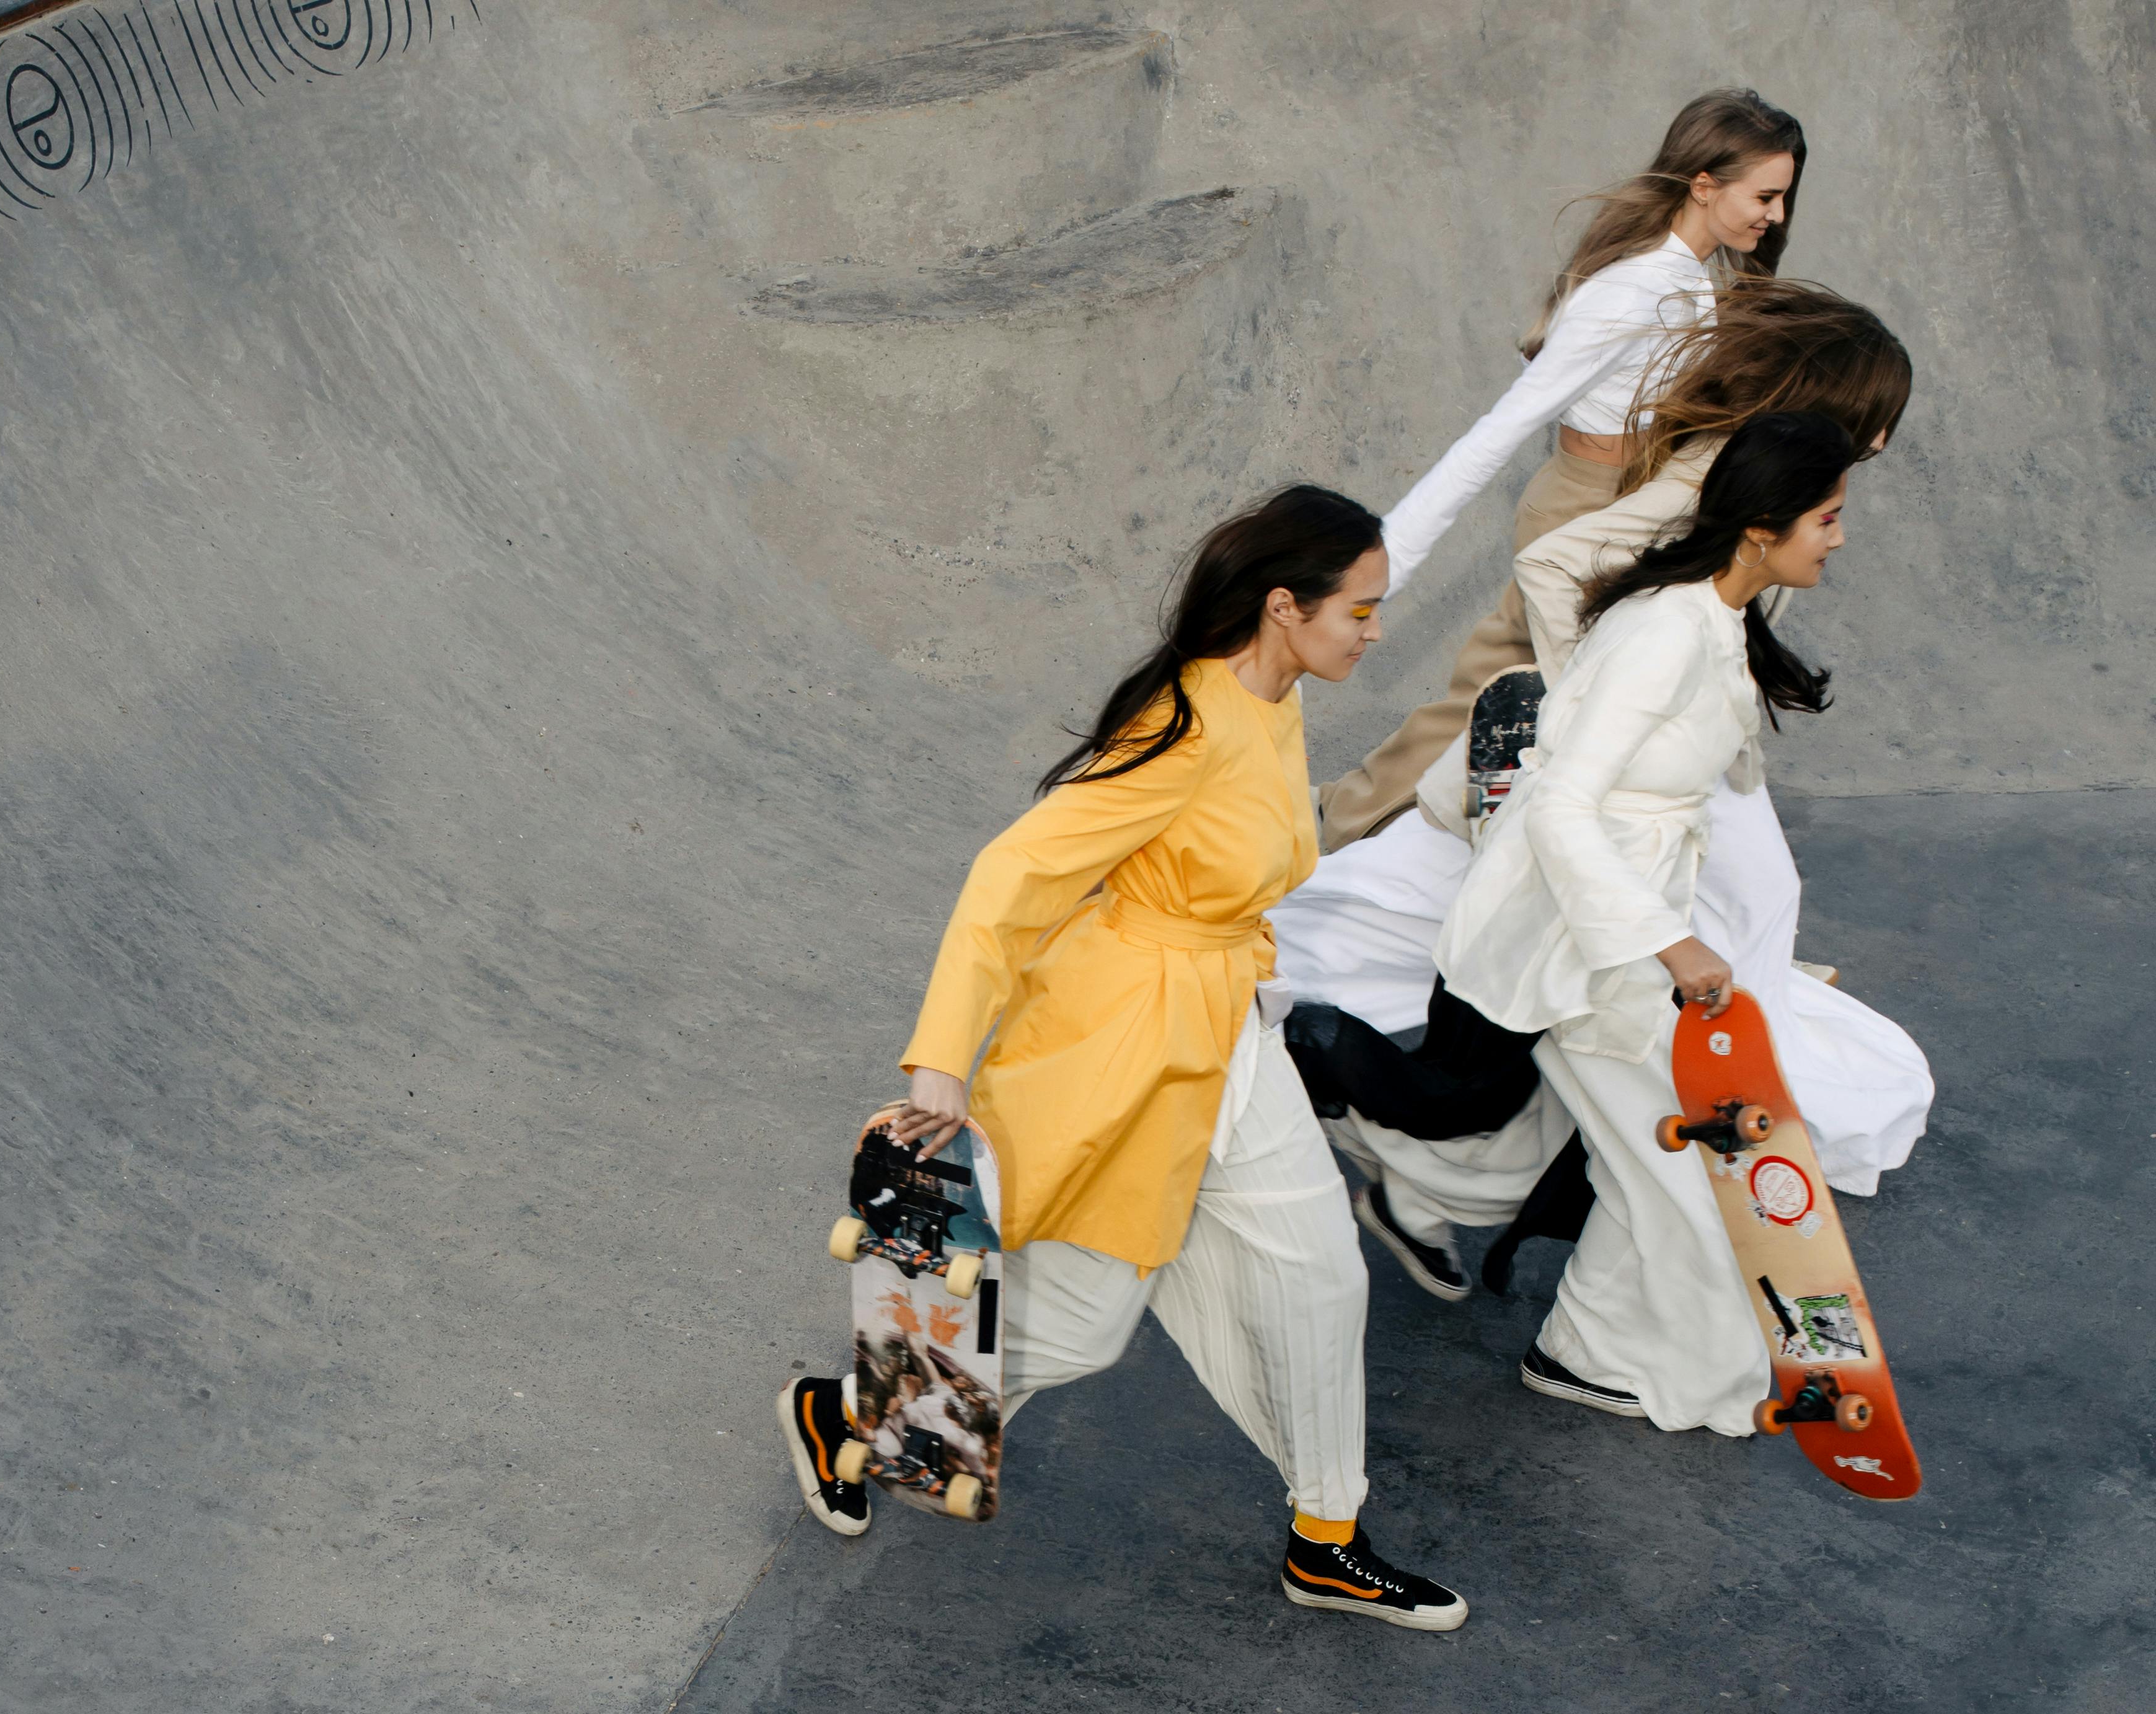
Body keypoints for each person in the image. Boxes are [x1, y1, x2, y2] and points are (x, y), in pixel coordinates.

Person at [774, 487, 1470, 1630]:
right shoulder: (1181, 728)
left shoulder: (1279, 691)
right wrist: (940, 1061)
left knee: (1324, 1277)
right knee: (1089, 1329)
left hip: (1229, 1034)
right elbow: (1014, 878)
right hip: (1130, 1044)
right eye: (1363, 608)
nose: (1376, 629)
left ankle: (1327, 1539)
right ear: (1286, 608)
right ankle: (849, 1410)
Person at [1271, 288, 1930, 1304]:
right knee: (1612, 947)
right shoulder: (1729, 475)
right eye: (1877, 416)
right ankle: (1561, 1165)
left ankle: (1499, 1179)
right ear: (1838, 407)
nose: (1886, 437)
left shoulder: (1775, 474)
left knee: (1621, 970)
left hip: (1671, 766)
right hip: (1622, 768)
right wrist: (1599, 696)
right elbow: (1556, 560)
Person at [1437, 411, 1859, 1432]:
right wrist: (1664, 940)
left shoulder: (1710, 616)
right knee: (1696, 1184)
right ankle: (1615, 1355)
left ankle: (1587, 1345)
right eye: (1827, 518)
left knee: (1664, 1167)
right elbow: (1565, 805)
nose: (1838, 538)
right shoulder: (1665, 628)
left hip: (1630, 925)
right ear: (1762, 527)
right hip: (1591, 944)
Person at [1319, 88, 1808, 852]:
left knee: (1595, 704)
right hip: (1584, 512)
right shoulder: (1629, 292)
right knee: (1541, 702)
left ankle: (1347, 825)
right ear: (1704, 186)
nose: (1775, 216)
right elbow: (1501, 429)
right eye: (1765, 196)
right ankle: (1342, 828)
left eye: (1783, 198)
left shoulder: (1692, 277)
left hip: (1638, 507)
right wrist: (1386, 559)